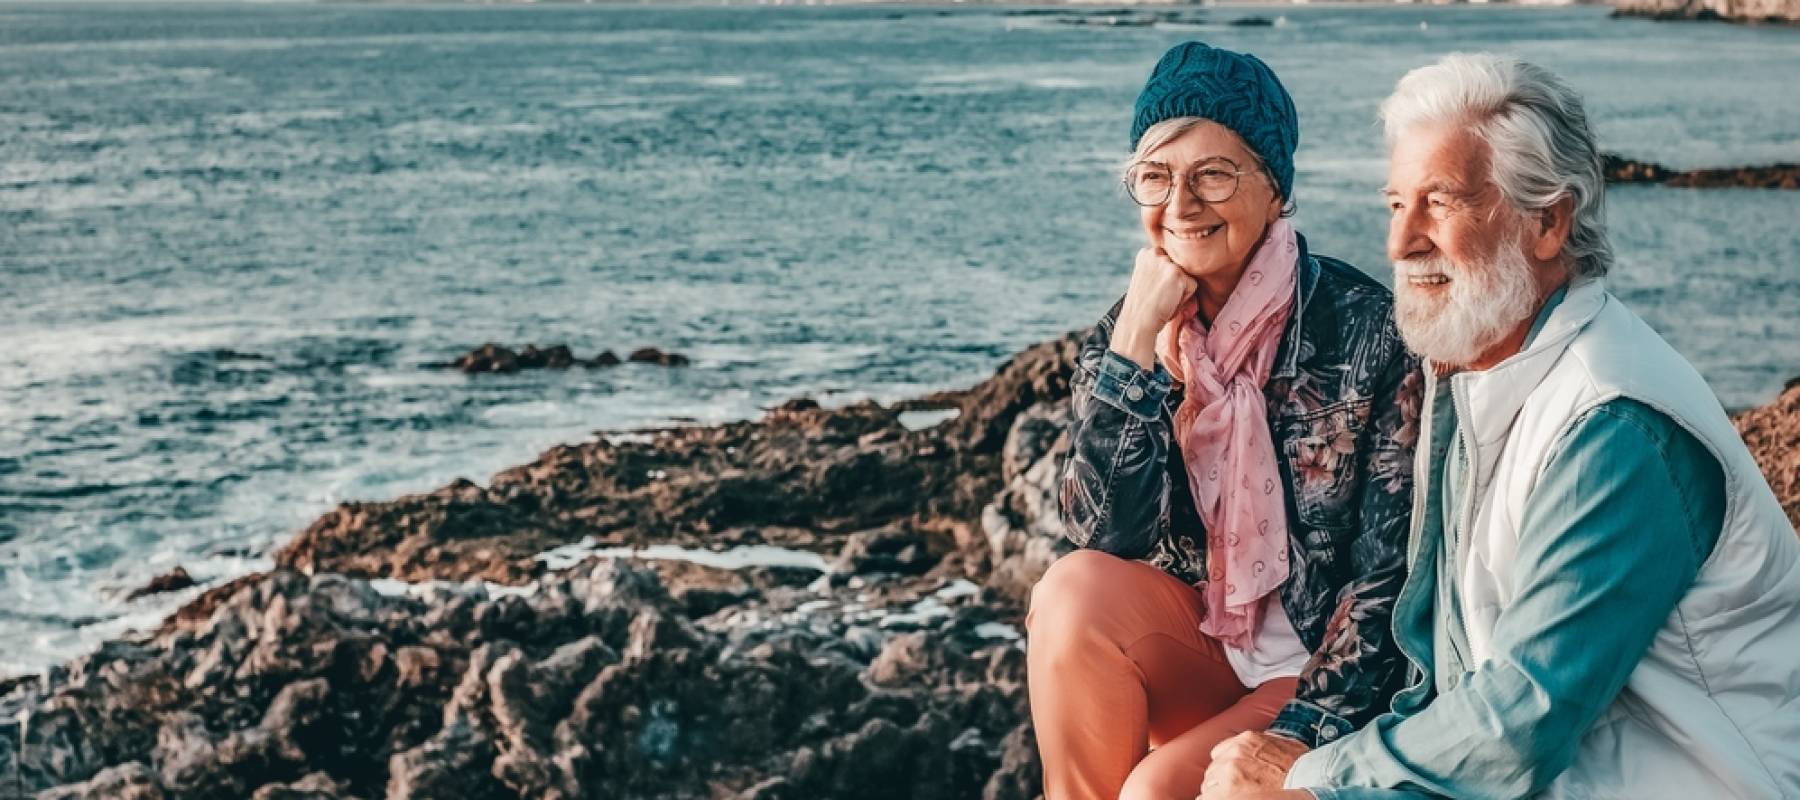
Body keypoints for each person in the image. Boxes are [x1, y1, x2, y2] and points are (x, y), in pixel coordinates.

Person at [1206, 52, 1800, 800]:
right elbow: (1444, 669)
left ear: (1548, 222)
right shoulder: (1470, 371)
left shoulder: (1612, 425)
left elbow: (1520, 721)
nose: (1400, 243)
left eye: (1441, 202)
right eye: (1396, 204)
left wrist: (1310, 778)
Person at [1027, 41, 1423, 800]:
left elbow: (1387, 585)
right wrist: (1136, 341)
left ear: (1276, 191)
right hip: (1204, 644)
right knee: (1071, 591)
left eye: (1212, 173)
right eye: (1155, 177)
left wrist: (1298, 732)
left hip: (1314, 675)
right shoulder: (1130, 334)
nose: (1180, 204)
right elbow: (1107, 535)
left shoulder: (1369, 332)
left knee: (1151, 792)